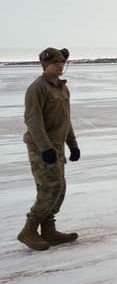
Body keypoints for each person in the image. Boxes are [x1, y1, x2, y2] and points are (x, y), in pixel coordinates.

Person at [19, 47, 80, 251]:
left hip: (57, 146)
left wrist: (73, 145)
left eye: (63, 62)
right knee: (49, 188)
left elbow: (65, 119)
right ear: (46, 65)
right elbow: (33, 121)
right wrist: (45, 148)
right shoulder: (38, 87)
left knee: (59, 188)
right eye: (56, 62)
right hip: (41, 147)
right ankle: (29, 230)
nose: (60, 65)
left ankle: (48, 230)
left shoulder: (61, 87)